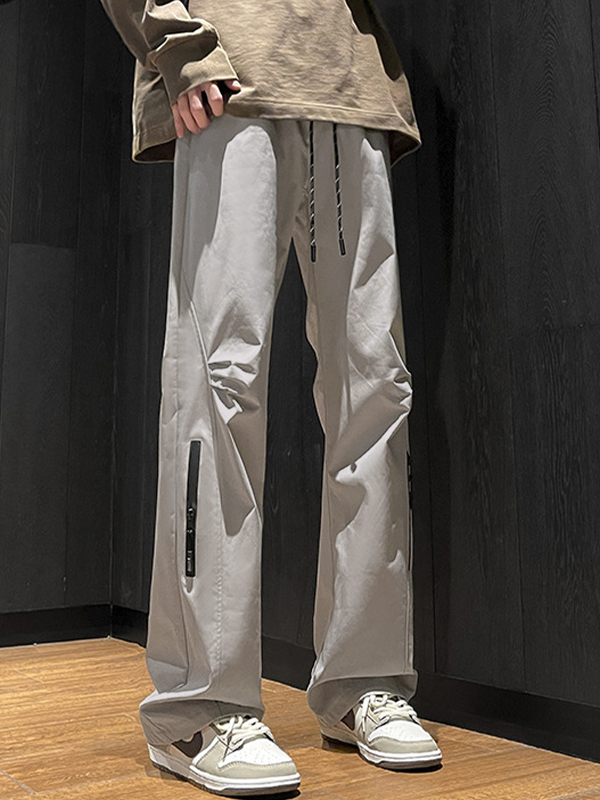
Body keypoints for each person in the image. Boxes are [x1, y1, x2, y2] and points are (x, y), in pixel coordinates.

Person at [99, 0, 443, 795]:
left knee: (376, 388)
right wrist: (178, 46)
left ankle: (363, 683)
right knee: (218, 383)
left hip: (347, 82)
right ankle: (198, 706)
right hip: (229, 73)